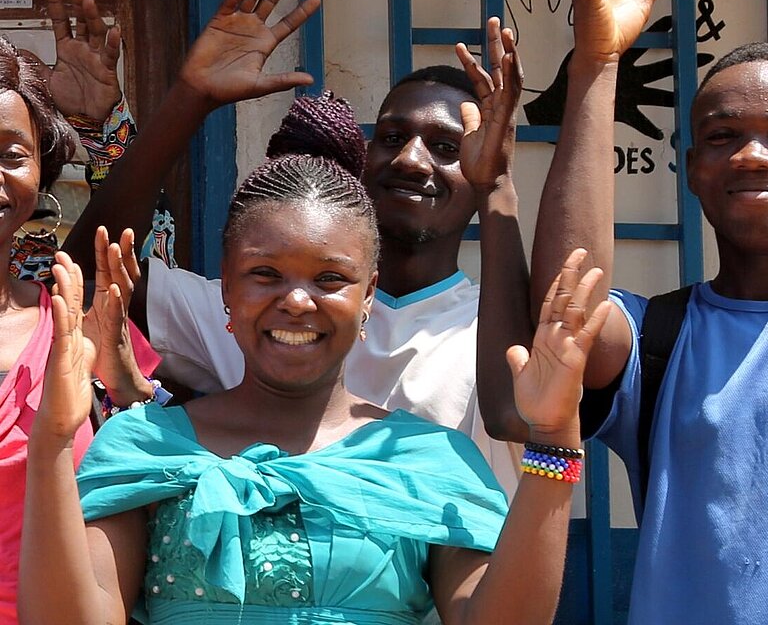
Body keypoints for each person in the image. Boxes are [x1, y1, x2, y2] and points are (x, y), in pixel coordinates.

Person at [19, 83, 611, 622]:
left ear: (368, 295)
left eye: (330, 278)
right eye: (265, 274)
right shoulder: (145, 446)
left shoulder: (431, 461)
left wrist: (555, 439)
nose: (297, 301)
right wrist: (50, 444)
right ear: (225, 288)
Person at [64, 0, 530, 496]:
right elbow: (88, 282)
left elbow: (519, 413)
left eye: (448, 148)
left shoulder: (496, 328)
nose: (410, 159)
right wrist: (191, 97)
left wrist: (497, 185)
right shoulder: (256, 308)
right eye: (391, 137)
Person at [482, 0, 767, 624]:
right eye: (724, 137)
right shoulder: (664, 340)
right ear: (693, 170)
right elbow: (567, 311)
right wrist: (597, 63)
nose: (751, 156)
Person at [0, 34, 159, 625]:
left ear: (41, 173)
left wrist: (128, 388)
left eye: (11, 154)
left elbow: (155, 481)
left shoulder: (82, 331)